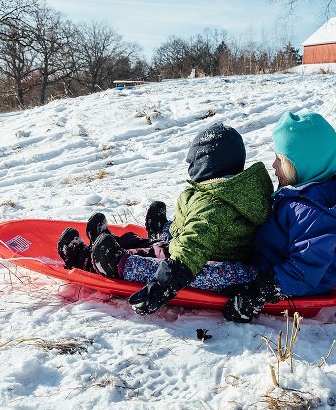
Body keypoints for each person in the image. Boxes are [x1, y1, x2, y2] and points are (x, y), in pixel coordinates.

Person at [61, 122, 274, 314]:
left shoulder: (213, 204)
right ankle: (118, 241)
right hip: (217, 250)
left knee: (155, 261)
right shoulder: (235, 191)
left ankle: (102, 261)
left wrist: (163, 286)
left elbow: (193, 244)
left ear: (206, 164)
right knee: (158, 245)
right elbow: (199, 230)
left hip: (207, 264)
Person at [221, 112, 336, 323]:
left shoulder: (315, 211)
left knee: (207, 275)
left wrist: (258, 293)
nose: (273, 164)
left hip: (290, 283)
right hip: (270, 267)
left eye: (280, 159)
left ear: (303, 163)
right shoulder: (305, 195)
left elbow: (305, 268)